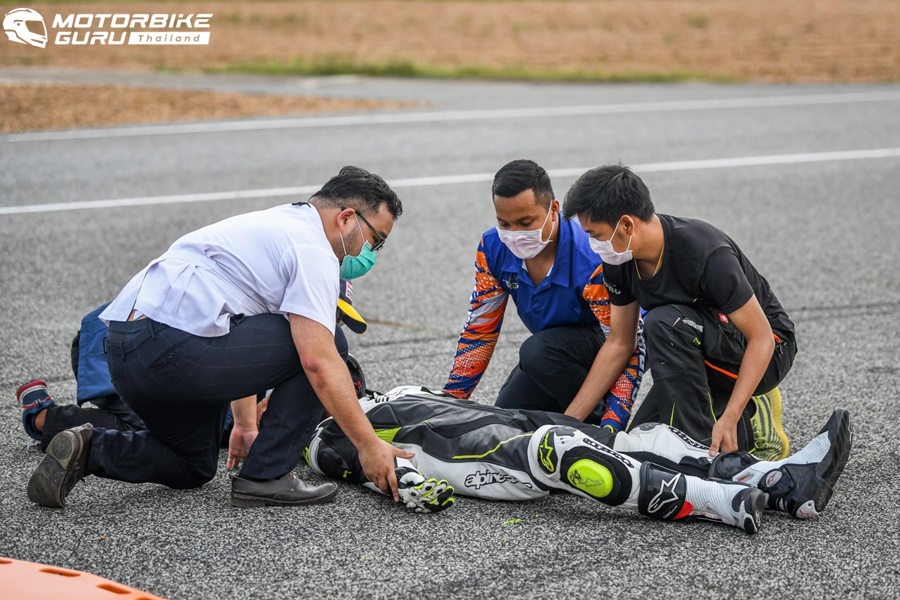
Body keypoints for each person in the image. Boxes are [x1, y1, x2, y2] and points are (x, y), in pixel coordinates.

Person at [26, 166, 413, 509]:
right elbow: (317, 361)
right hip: (173, 346)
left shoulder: (275, 224)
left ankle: (88, 449)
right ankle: (267, 477)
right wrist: (368, 446)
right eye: (375, 239)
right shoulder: (313, 249)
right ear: (346, 218)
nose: (372, 252)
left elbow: (243, 329)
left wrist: (244, 424)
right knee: (330, 347)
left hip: (126, 351)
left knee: (190, 463)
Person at [306, 386, 853, 533]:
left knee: (638, 439)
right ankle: (722, 502)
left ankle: (783, 482)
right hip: (476, 459)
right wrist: (405, 481)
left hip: (506, 420)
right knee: (562, 455)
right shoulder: (322, 433)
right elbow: (369, 467)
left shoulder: (386, 391)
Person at [562, 164, 797, 459]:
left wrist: (731, 415)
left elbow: (761, 337)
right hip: (696, 346)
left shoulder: (705, 251)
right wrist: (568, 424)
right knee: (641, 445)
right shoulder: (619, 260)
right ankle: (734, 423)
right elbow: (620, 343)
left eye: (595, 234)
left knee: (664, 323)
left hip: (767, 348)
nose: (593, 244)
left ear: (627, 225)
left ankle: (703, 451)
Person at [17, 280, 369, 452]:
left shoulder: (286, 331)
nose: (329, 325)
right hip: (115, 342)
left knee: (188, 425)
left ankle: (55, 420)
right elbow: (239, 370)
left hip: (131, 337)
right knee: (155, 429)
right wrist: (251, 419)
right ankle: (44, 416)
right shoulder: (271, 314)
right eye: (329, 314)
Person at [443, 159, 644, 432]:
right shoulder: (492, 248)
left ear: (554, 210)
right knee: (507, 423)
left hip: (611, 342)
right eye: (504, 223)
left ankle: (591, 422)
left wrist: (611, 423)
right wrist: (450, 402)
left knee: (537, 352)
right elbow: (481, 330)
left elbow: (627, 344)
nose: (515, 234)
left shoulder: (591, 257)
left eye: (526, 222)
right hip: (552, 353)